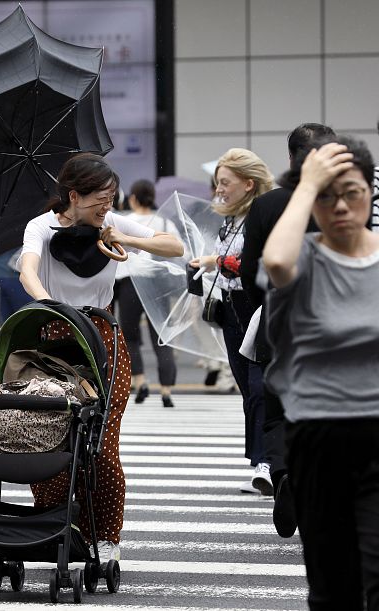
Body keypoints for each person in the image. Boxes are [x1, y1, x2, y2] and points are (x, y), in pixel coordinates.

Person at [18, 152, 183, 563]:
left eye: (111, 197)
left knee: (102, 446)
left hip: (104, 341)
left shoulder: (111, 225)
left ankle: (105, 536)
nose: (107, 206)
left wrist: (125, 238)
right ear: (73, 196)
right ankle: (57, 522)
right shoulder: (41, 226)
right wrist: (50, 305)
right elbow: (27, 271)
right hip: (54, 341)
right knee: (49, 440)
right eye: (99, 199)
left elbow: (174, 246)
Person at [263, 137, 379, 610]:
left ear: (370, 193)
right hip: (318, 436)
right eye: (326, 196)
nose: (341, 207)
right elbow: (275, 262)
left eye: (351, 192)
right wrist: (307, 183)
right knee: (334, 588)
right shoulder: (302, 257)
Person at [239, 122, 335, 535]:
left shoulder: (266, 205)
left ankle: (283, 476)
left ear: (291, 158)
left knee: (276, 413)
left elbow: (248, 273)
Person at [189, 148, 274, 495]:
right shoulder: (229, 218)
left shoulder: (263, 215)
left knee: (260, 386)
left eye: (225, 183)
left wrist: (222, 262)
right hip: (230, 306)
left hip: (257, 304)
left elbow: (259, 260)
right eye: (217, 183)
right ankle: (261, 461)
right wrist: (208, 263)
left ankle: (270, 462)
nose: (218, 189)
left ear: (248, 184)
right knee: (245, 386)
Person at [115, 179, 178, 407]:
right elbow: (180, 252)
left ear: (132, 198)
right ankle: (167, 390)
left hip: (129, 284)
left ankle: (140, 381)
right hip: (157, 285)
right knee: (161, 337)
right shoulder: (163, 222)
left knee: (130, 337)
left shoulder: (125, 222)